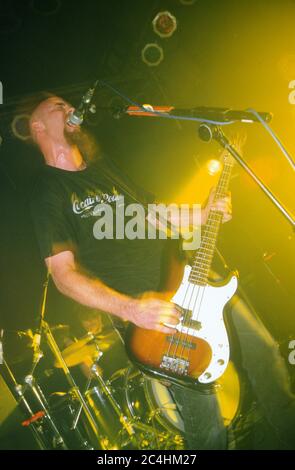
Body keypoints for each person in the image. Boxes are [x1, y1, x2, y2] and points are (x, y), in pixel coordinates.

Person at [28, 94, 295, 450]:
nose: (69, 109)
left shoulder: (104, 168)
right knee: (207, 424)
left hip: (194, 283)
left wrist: (203, 213)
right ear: (38, 127)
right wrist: (130, 309)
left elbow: (156, 214)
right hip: (154, 316)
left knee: (266, 357)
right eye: (57, 107)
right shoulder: (47, 191)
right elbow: (63, 274)